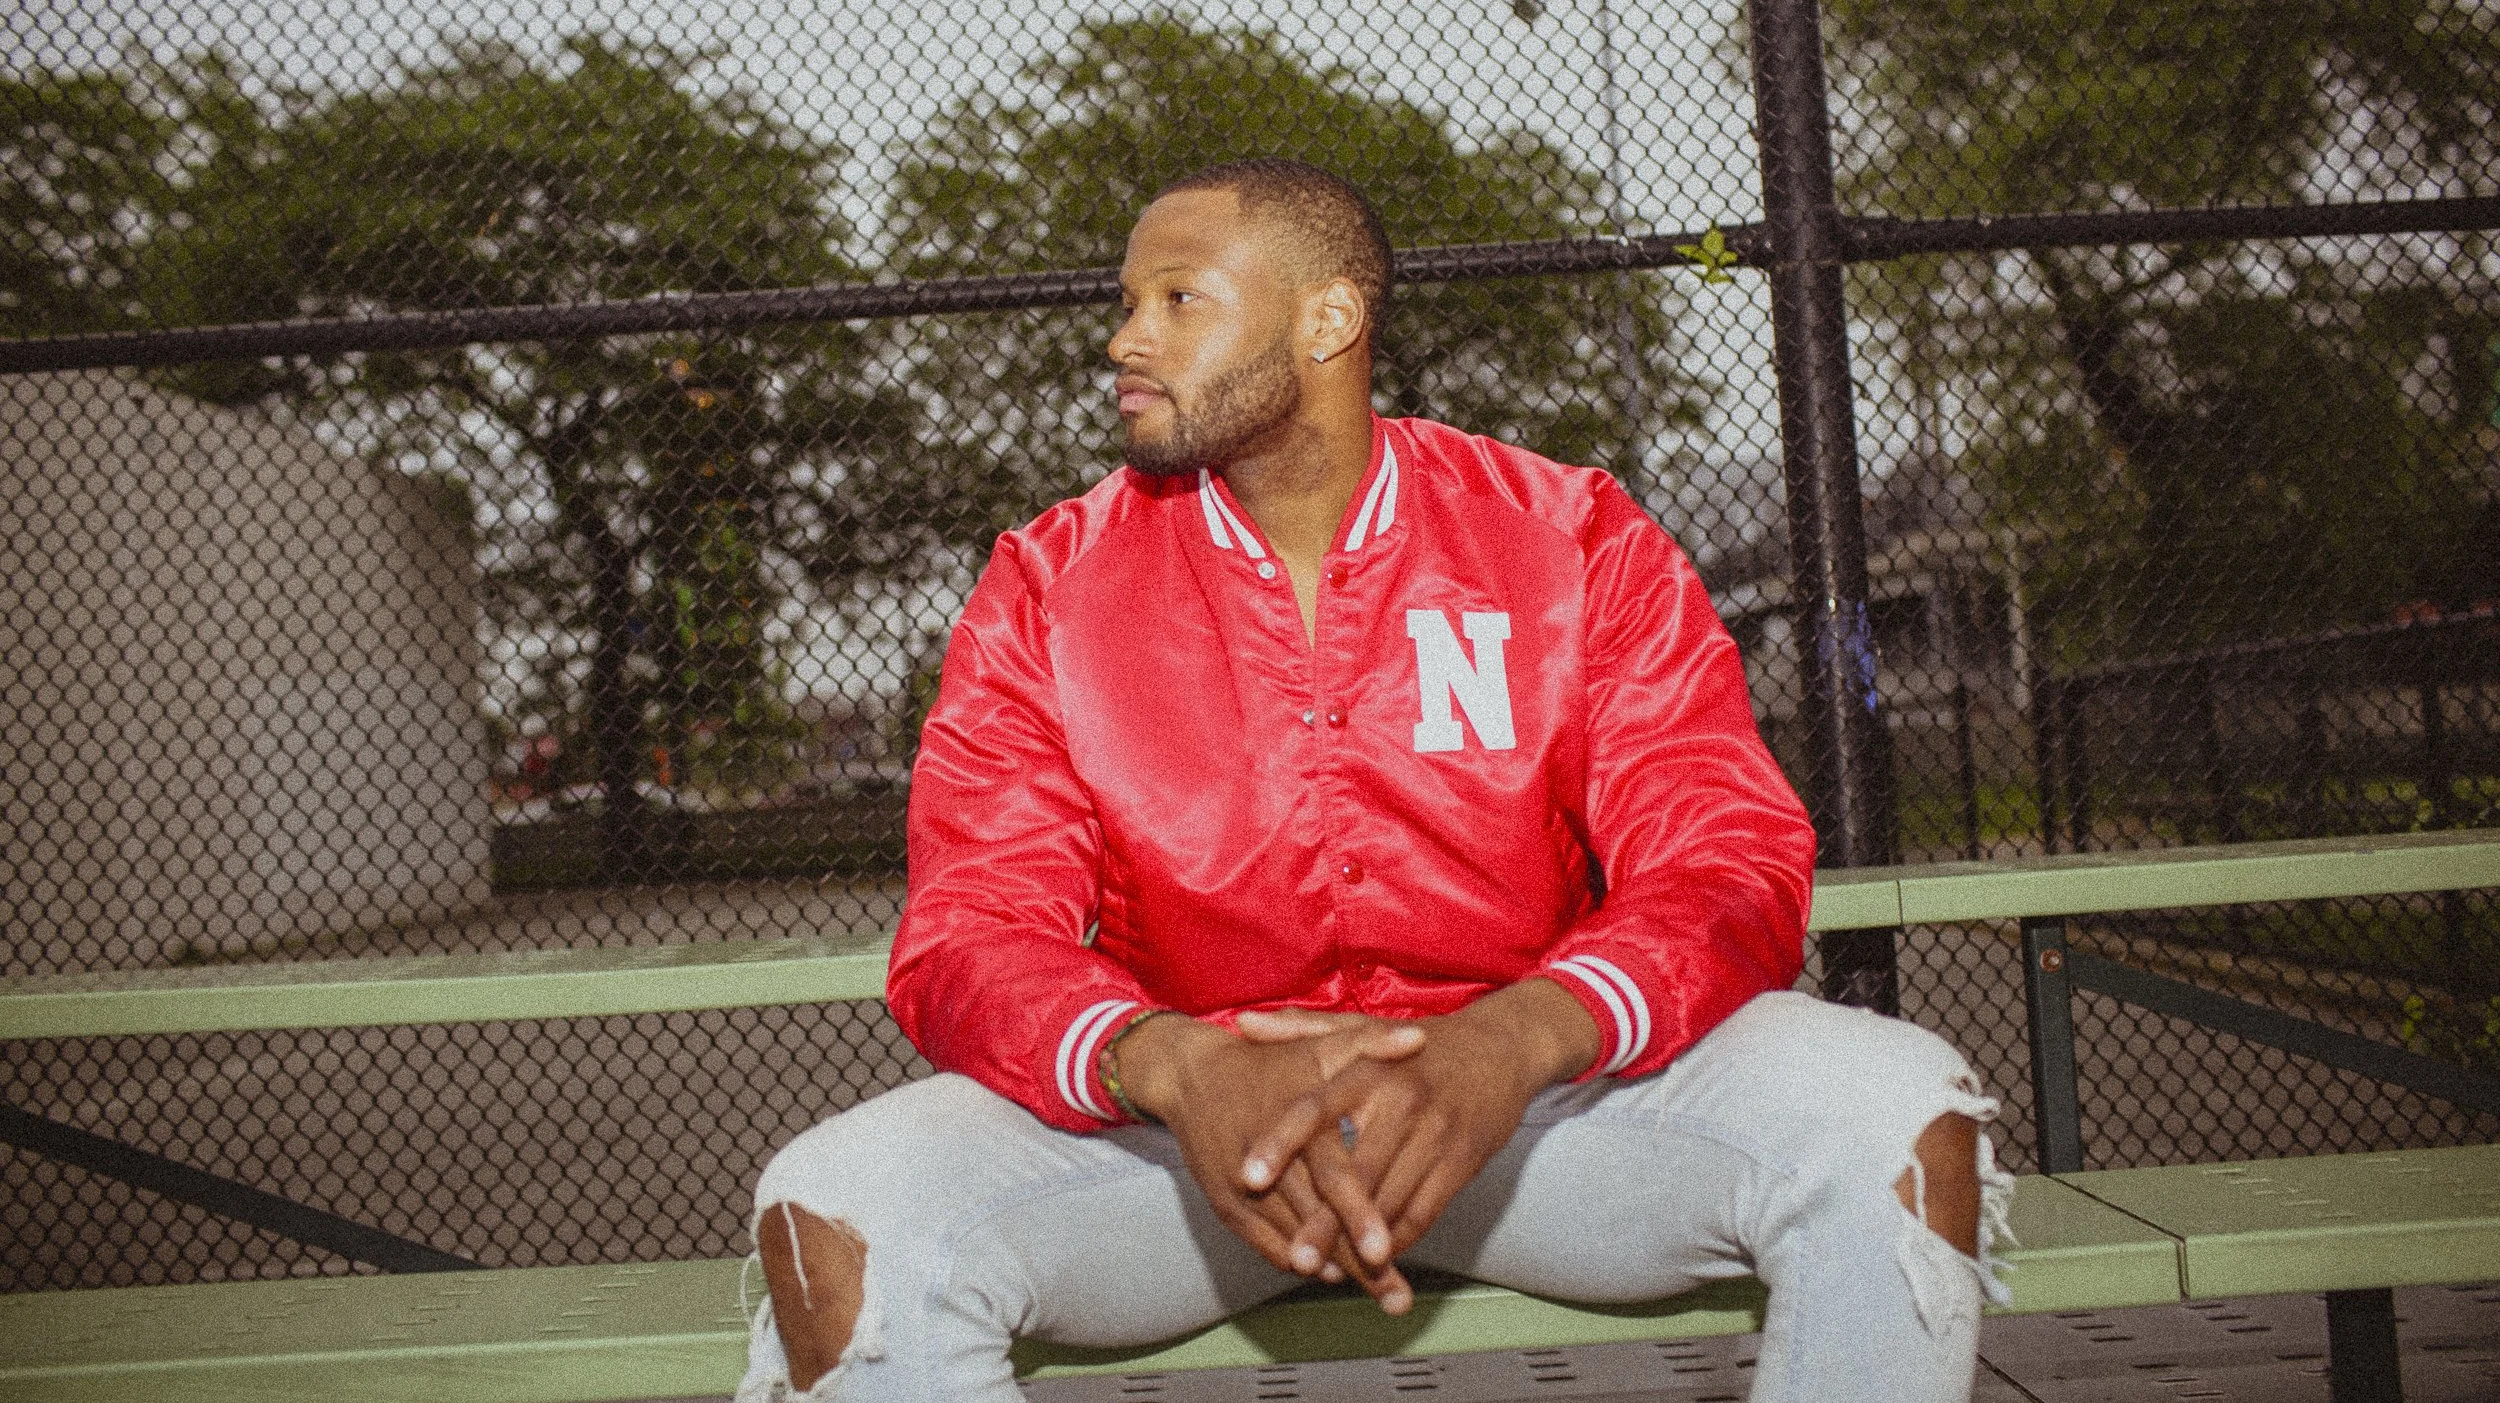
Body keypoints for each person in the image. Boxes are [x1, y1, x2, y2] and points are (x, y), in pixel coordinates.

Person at [737, 159, 2012, 1403]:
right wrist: (1170, 1061)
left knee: (1891, 1108)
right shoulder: (1049, 585)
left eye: (1177, 298)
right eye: (1126, 303)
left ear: (1327, 318)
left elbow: (1723, 852)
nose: (1126, 339)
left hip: (1526, 1108)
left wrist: (1514, 1036)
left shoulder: (1569, 535)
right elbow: (971, 928)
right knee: (839, 1207)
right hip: (1197, 1136)